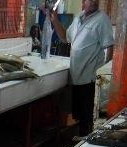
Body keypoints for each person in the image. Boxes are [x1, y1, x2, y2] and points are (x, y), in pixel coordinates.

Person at [42, 0, 114, 135]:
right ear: (83, 1)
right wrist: (55, 20)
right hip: (77, 78)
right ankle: (81, 144)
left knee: (88, 119)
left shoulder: (102, 19)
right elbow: (64, 37)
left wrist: (104, 75)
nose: (94, 2)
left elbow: (109, 46)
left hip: (90, 79)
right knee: (80, 117)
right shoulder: (78, 18)